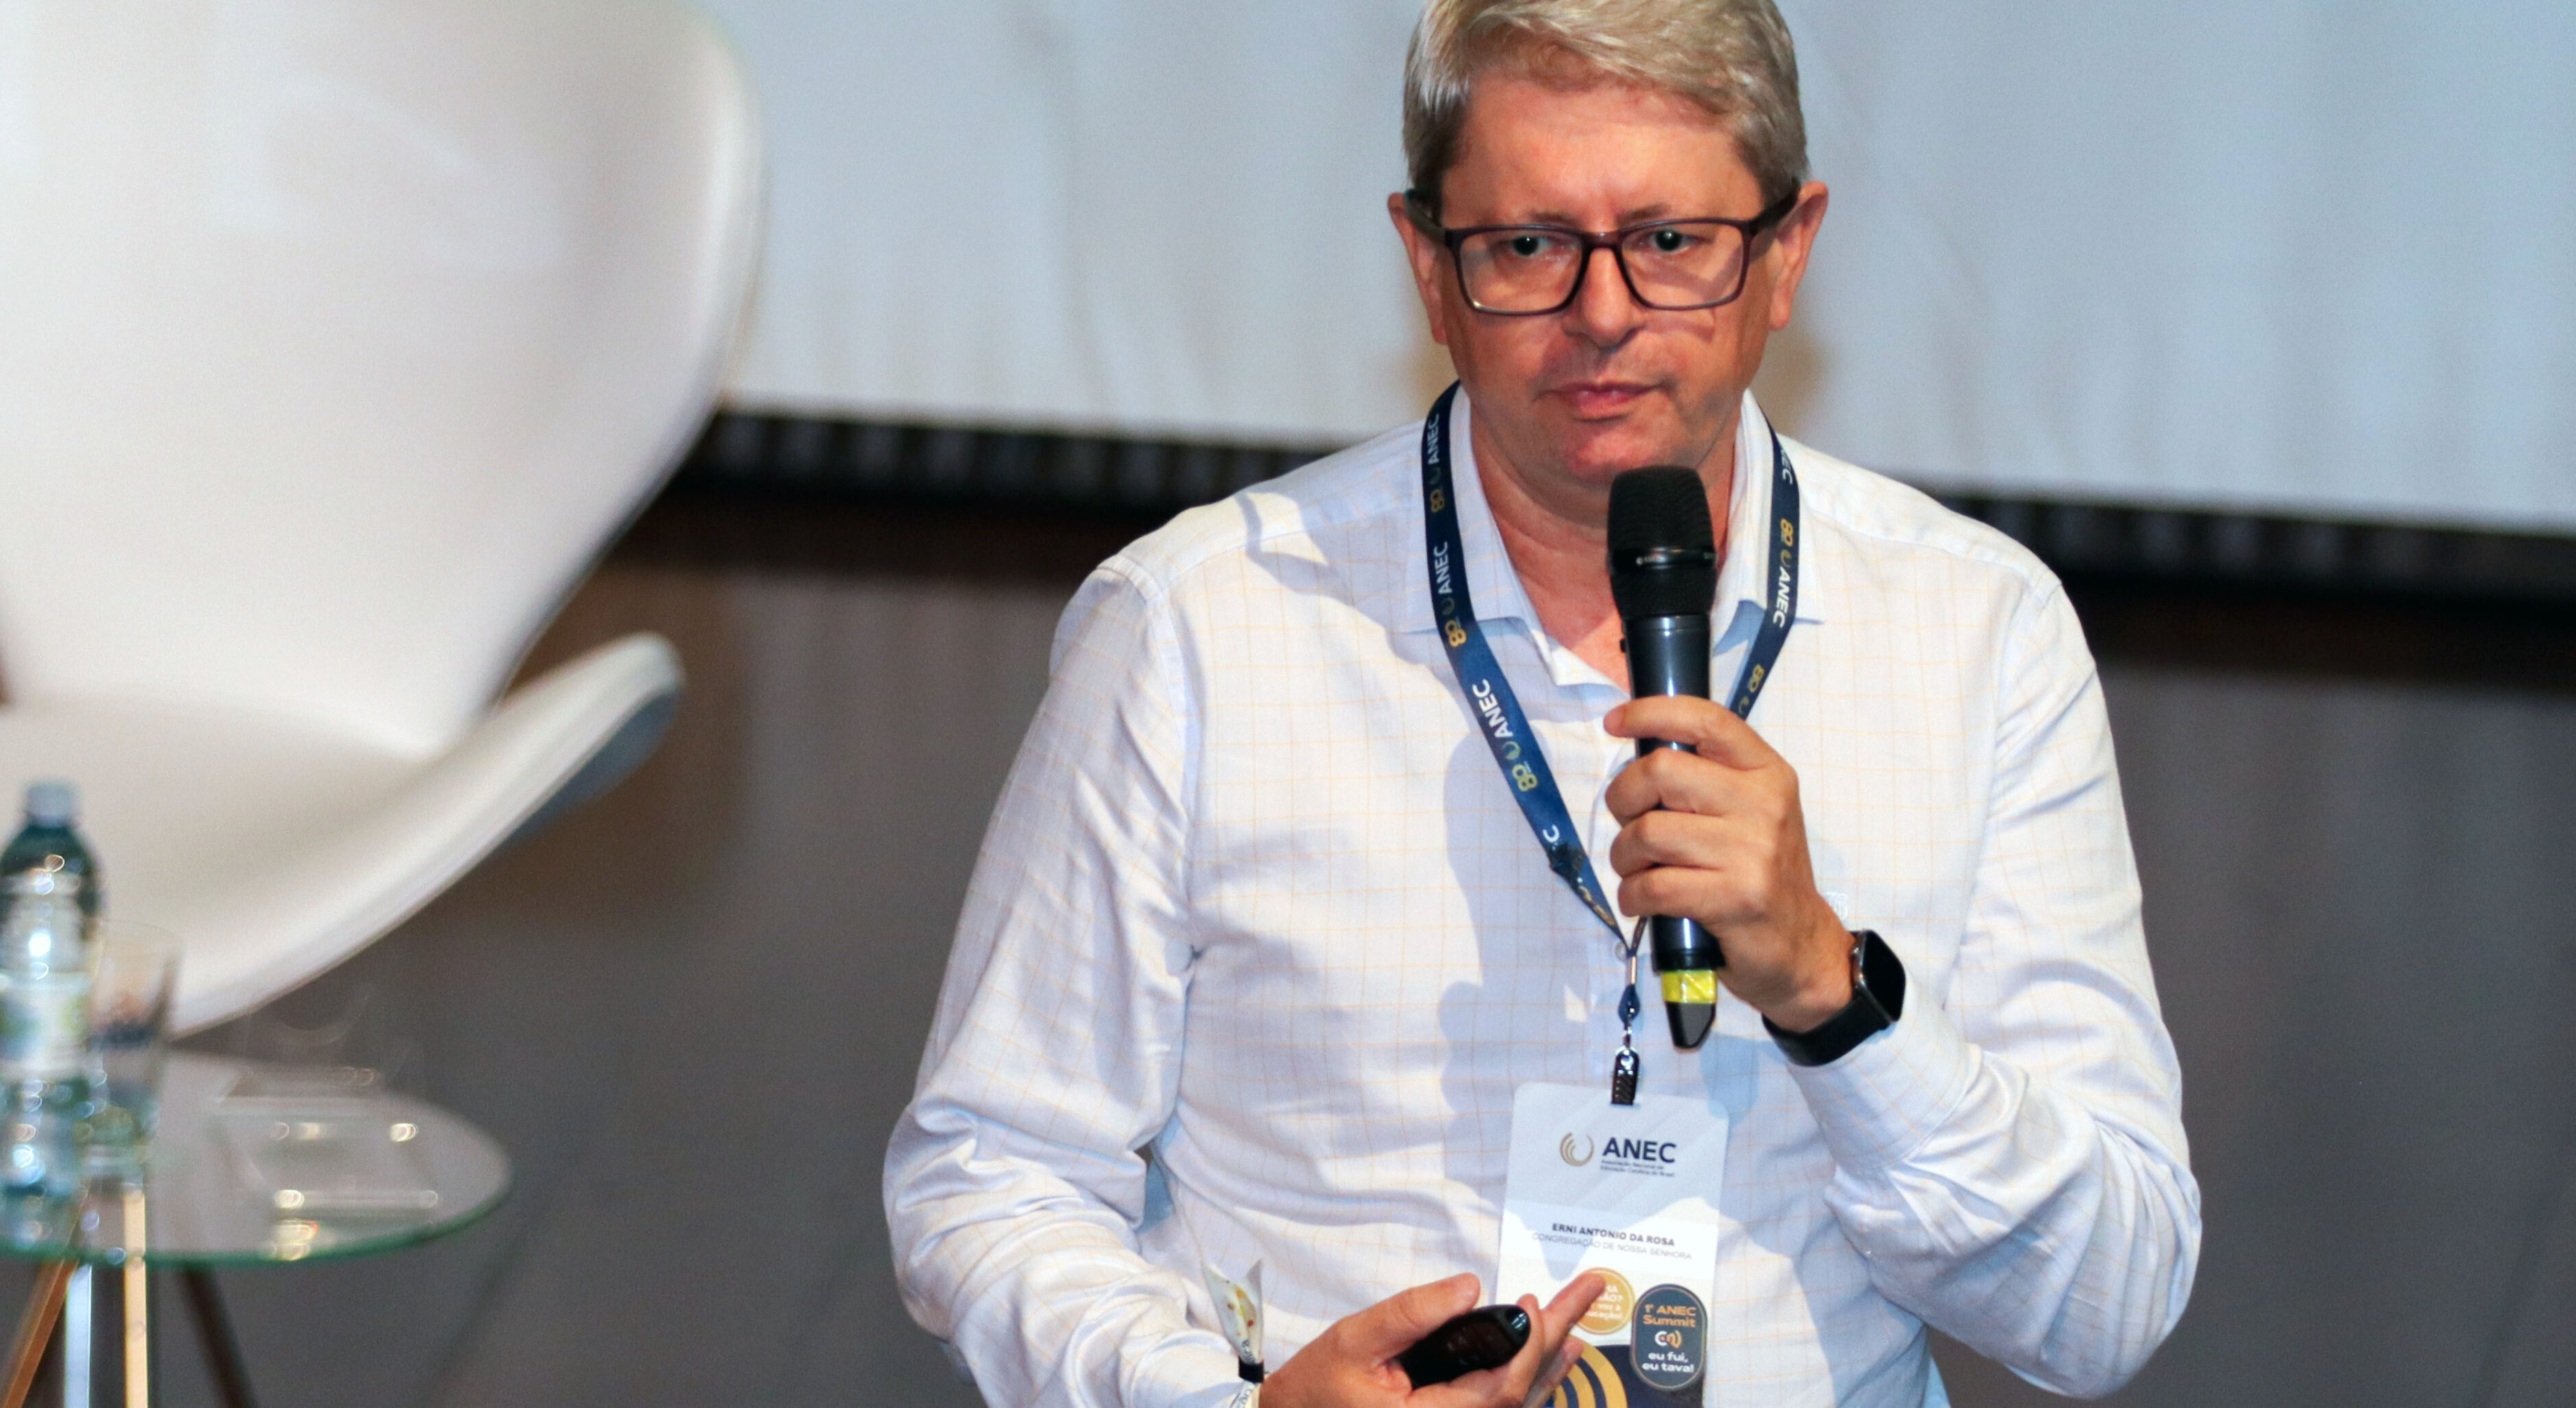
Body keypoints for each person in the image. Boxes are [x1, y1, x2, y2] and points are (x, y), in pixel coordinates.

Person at [884, 1, 2200, 1404]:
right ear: (1428, 268)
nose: (1604, 314)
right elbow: (991, 1176)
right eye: (1528, 246)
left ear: (1787, 253)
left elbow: (2105, 1303)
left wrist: (1833, 989)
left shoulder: (1977, 635)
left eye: (1669, 242)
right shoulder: (1197, 629)